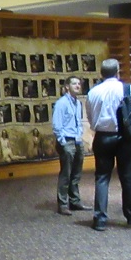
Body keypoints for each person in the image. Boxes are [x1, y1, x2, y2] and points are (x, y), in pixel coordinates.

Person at [86, 58, 131, 231]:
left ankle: (100, 218)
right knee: (128, 177)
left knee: (102, 177)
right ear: (118, 71)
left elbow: (90, 117)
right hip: (125, 138)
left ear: (101, 74)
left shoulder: (93, 92)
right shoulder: (127, 88)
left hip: (102, 137)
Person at [52, 76, 90, 216]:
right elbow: (57, 125)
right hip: (66, 141)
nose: (77, 86)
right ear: (67, 86)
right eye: (74, 83)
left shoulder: (78, 103)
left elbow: (78, 122)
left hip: (77, 140)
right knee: (66, 174)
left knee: (76, 174)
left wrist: (80, 137)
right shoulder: (61, 103)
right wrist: (63, 142)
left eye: (79, 83)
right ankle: (62, 204)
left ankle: (74, 201)